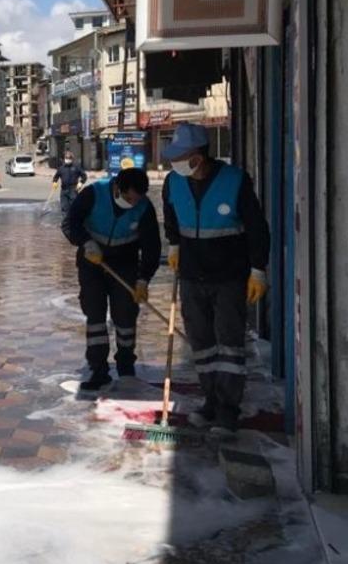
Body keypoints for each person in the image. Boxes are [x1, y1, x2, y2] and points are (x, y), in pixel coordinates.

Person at [162, 122, 270, 438]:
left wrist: (258, 269)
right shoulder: (173, 182)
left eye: (181, 156)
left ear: (198, 155)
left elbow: (257, 228)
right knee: (203, 345)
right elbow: (170, 217)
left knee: (230, 346)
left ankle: (227, 412)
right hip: (192, 276)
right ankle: (210, 400)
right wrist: (174, 244)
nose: (175, 162)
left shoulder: (235, 181)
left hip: (229, 277)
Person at [62, 167, 161, 393]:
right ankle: (98, 370)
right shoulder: (94, 193)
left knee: (125, 314)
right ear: (117, 187)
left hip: (125, 263)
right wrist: (86, 242)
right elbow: (70, 223)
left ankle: (126, 365)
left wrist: (144, 279)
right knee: (95, 315)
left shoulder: (144, 208)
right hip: (92, 260)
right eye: (128, 198)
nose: (131, 203)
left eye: (136, 200)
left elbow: (152, 247)